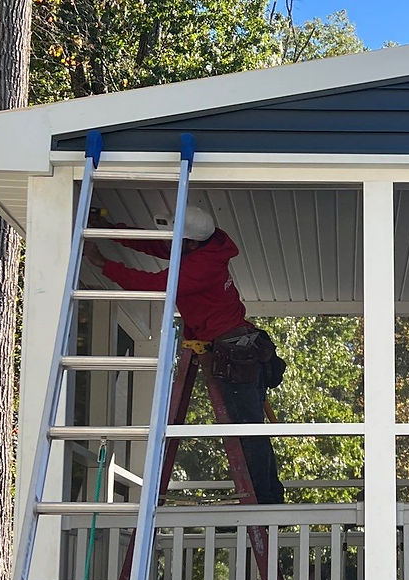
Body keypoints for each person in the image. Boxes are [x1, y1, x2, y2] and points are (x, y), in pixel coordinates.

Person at [83, 204, 285, 503]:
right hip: (238, 346)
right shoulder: (207, 245)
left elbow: (155, 284)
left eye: (179, 238)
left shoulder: (201, 265)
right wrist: (113, 230)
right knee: (249, 428)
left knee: (247, 431)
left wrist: (104, 264)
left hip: (234, 352)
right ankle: (267, 498)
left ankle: (266, 504)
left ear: (191, 242)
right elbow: (158, 244)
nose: (172, 243)